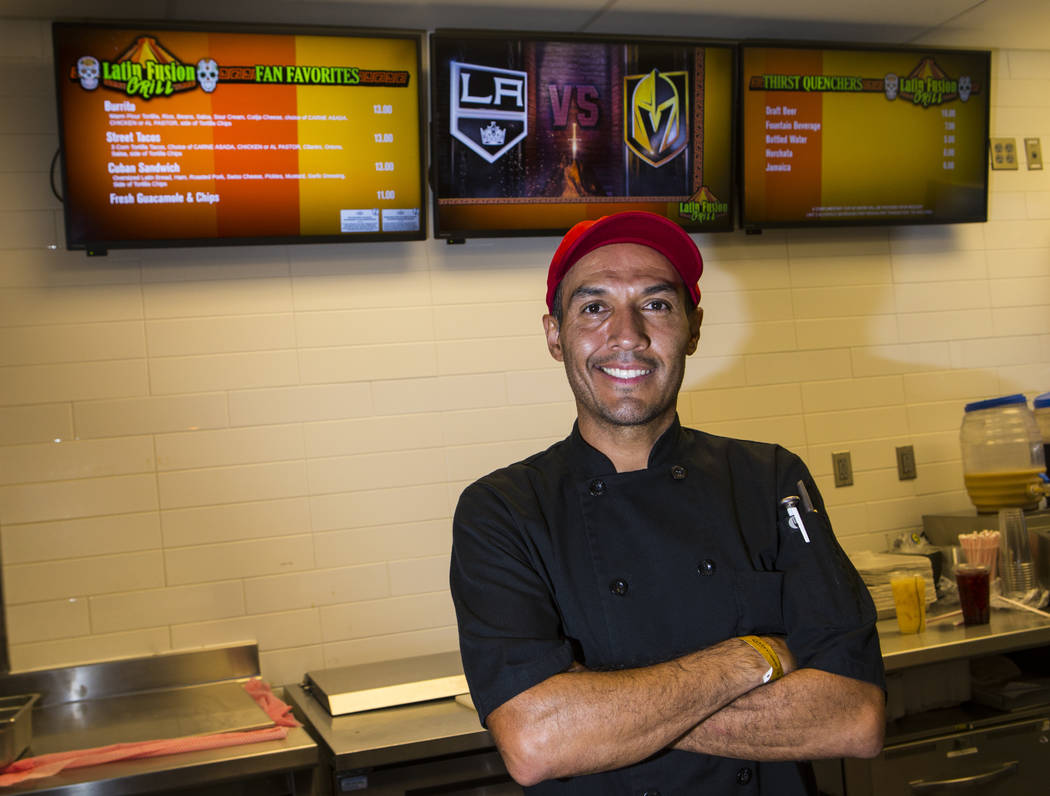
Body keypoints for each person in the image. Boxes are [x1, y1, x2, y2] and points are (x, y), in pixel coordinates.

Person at [450, 211, 886, 794]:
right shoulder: (502, 511)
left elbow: (853, 718)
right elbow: (537, 743)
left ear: (694, 328)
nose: (626, 334)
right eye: (593, 307)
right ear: (556, 336)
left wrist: (601, 710)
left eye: (656, 305)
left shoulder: (771, 477)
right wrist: (750, 658)